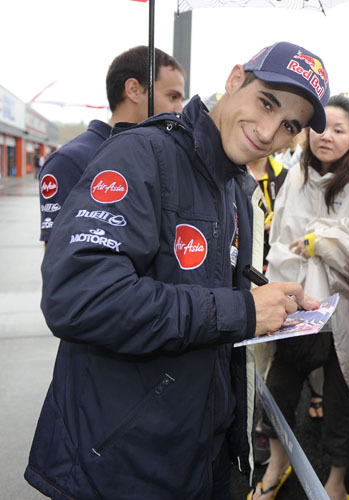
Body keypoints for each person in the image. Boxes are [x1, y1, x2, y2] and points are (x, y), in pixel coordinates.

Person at [25, 41, 329, 500]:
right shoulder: (141, 155)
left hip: (198, 462)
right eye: (266, 102)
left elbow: (213, 311)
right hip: (119, 467)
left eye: (290, 125)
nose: (269, 133)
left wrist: (272, 304)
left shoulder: (237, 190)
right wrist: (242, 311)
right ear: (233, 81)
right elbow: (77, 297)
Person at [256, 94, 349, 500]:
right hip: (295, 308)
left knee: (338, 404)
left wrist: (323, 243)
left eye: (338, 129)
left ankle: (335, 483)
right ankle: (276, 463)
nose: (325, 136)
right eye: (319, 127)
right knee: (276, 391)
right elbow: (278, 237)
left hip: (341, 312)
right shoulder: (295, 174)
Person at [38, 45, 185, 243]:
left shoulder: (163, 158)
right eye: (172, 97)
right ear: (133, 90)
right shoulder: (69, 161)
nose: (180, 110)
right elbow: (57, 262)